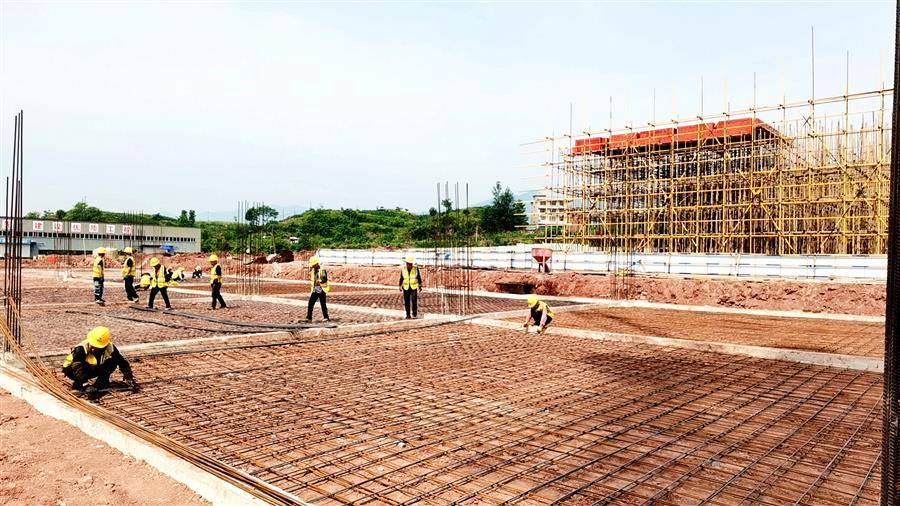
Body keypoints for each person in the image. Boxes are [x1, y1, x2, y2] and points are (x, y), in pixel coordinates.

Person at [62, 326, 138, 398]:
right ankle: (78, 385)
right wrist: (86, 385)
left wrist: (129, 377)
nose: (93, 349)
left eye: (97, 347)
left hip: (92, 368)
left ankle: (101, 383)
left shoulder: (110, 347)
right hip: (72, 371)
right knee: (79, 365)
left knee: (112, 362)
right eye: (93, 345)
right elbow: (77, 366)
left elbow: (122, 362)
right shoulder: (81, 348)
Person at [305, 256, 330, 322]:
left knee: (323, 304)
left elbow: (324, 279)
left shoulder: (322, 270)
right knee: (310, 303)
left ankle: (326, 317)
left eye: (313, 265)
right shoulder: (313, 270)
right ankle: (309, 318)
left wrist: (320, 281)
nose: (312, 266)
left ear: (316, 264)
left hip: (321, 290)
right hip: (315, 290)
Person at [399, 255, 423, 319]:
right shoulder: (403, 269)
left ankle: (414, 314)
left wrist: (420, 285)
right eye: (408, 264)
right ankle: (408, 315)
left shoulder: (415, 269)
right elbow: (401, 278)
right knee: (407, 301)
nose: (409, 265)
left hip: (413, 287)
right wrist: (400, 286)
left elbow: (418, 277)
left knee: (414, 300)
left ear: (412, 264)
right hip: (406, 287)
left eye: (410, 264)